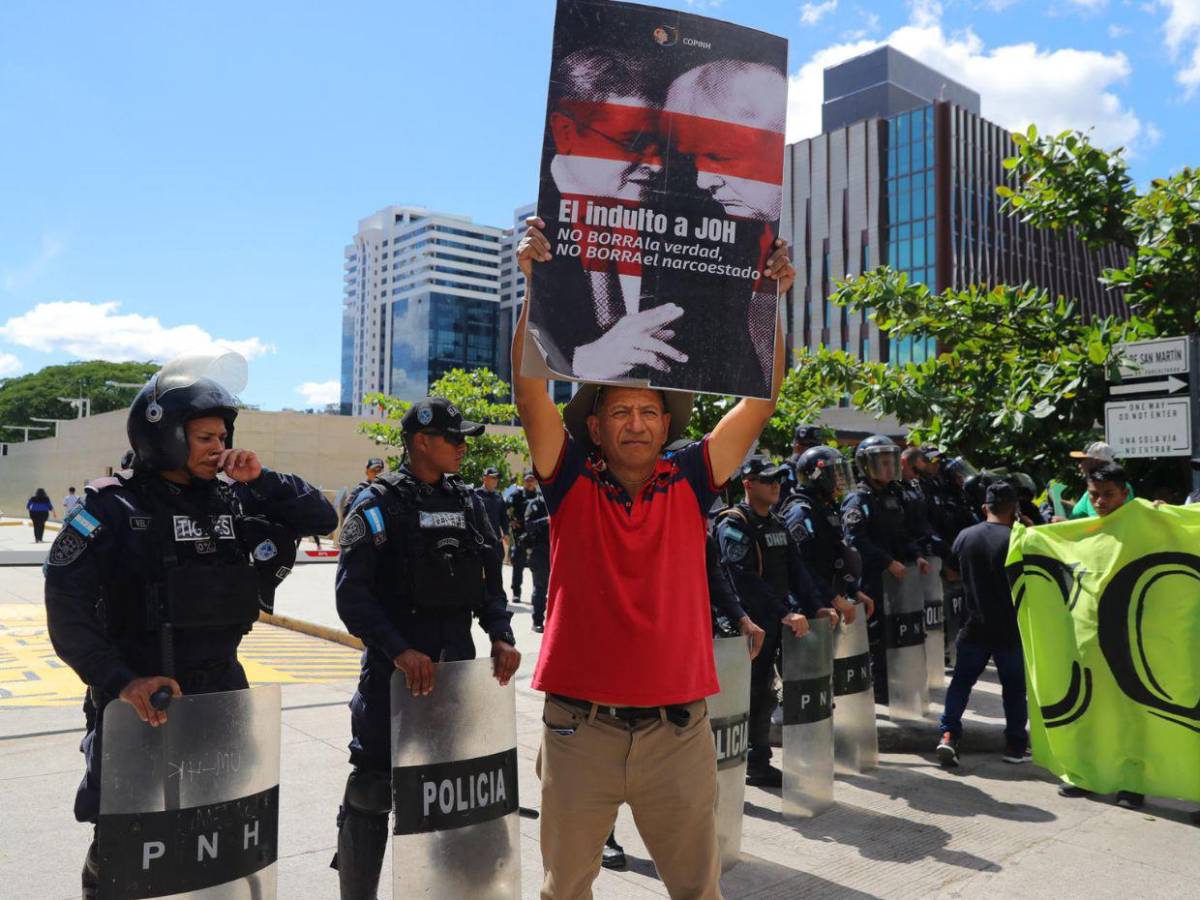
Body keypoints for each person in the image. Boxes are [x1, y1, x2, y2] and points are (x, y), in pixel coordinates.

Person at [513, 216, 794, 898]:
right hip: (580, 730)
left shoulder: (693, 479)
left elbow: (760, 401)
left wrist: (771, 299)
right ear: (596, 426)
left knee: (697, 892)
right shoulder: (570, 480)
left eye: (648, 411)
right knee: (564, 890)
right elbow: (529, 393)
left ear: (667, 425)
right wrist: (532, 284)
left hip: (679, 734)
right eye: (619, 411)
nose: (635, 422)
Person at [43, 354, 337, 899]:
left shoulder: (232, 495)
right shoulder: (109, 506)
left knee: (220, 835)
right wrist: (121, 680)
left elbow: (322, 518)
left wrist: (262, 478)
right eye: (204, 437)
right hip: (141, 700)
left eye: (222, 436)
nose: (217, 448)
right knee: (126, 842)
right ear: (163, 435)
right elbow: (67, 610)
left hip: (222, 695)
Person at [331, 396, 519, 899]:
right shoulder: (378, 503)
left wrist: (501, 633)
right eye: (454, 440)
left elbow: (489, 579)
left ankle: (449, 887)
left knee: (453, 785)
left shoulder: (468, 502)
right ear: (421, 442)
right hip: (394, 675)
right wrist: (397, 650)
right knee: (373, 787)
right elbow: (352, 596)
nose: (462, 449)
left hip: (455, 670)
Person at [716, 455, 841, 787]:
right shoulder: (734, 523)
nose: (776, 486)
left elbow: (797, 572)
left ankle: (758, 762)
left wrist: (818, 607)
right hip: (743, 626)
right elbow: (742, 580)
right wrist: (783, 613)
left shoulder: (776, 522)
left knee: (764, 695)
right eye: (768, 480)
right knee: (739, 697)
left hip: (773, 624)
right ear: (748, 484)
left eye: (778, 480)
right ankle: (722, 767)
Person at [1057, 463, 1146, 809]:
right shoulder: (1083, 527)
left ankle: (1131, 783)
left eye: (1108, 495)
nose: (1100, 501)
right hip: (1088, 635)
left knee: (1130, 712)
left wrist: (1162, 515)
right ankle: (1085, 775)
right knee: (1088, 708)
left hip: (1130, 636)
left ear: (1125, 493)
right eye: (1094, 495)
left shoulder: (1143, 525)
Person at [935, 482, 1029, 767]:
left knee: (961, 684)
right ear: (1014, 510)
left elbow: (951, 573)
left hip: (972, 626)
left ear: (984, 508)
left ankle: (949, 734)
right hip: (1009, 629)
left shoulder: (965, 536)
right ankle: (1015, 745)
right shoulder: (1018, 539)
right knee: (1014, 689)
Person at [842, 435, 930, 701]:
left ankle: (895, 683)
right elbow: (856, 540)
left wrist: (916, 555)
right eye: (882, 462)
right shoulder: (858, 500)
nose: (889, 467)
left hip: (895, 579)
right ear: (865, 465)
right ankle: (878, 691)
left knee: (897, 631)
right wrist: (887, 561)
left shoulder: (893, 495)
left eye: (891, 461)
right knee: (876, 635)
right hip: (871, 578)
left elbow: (901, 533)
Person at [781, 445, 876, 620]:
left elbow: (835, 556)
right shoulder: (801, 512)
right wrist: (834, 598)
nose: (840, 478)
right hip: (810, 608)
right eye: (835, 473)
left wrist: (854, 591)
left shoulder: (825, 507)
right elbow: (802, 567)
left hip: (830, 602)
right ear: (818, 476)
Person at [1064, 441, 1133, 519]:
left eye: (1081, 460)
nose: (1079, 465)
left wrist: (1064, 524)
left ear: (1096, 461)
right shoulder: (1095, 487)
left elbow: (1100, 523)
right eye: (1094, 494)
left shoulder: (1118, 487)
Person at [518, 472, 551, 632]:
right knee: (540, 587)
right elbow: (528, 525)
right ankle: (537, 621)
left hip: (557, 550)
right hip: (539, 550)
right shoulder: (534, 504)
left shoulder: (558, 502)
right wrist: (546, 521)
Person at [473, 465, 511, 581]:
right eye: (492, 478)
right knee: (479, 574)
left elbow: (503, 517)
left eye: (496, 478)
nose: (495, 481)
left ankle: (495, 597)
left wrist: (506, 533)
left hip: (495, 541)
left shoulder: (498, 497)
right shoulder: (475, 494)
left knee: (496, 574)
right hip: (479, 541)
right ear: (484, 478)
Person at [776, 423, 823, 509]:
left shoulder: (816, 469)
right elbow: (780, 504)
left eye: (817, 447)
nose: (815, 451)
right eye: (810, 447)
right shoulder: (786, 471)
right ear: (797, 446)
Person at [507, 474, 533, 603]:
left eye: (532, 480)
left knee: (539, 568)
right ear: (524, 481)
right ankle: (516, 593)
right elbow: (505, 509)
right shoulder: (516, 495)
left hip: (535, 537)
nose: (529, 483)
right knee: (518, 566)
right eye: (527, 480)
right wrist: (511, 521)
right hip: (519, 537)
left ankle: (538, 594)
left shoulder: (539, 496)